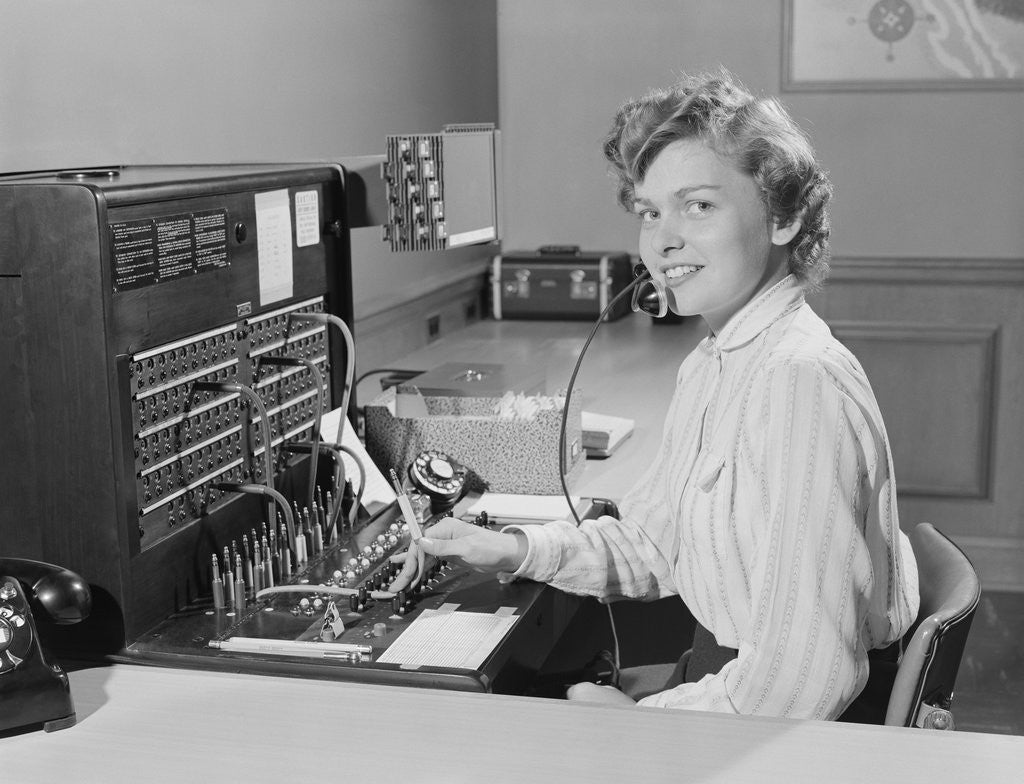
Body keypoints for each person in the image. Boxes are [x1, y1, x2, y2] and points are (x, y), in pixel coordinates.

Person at [389, 68, 920, 721]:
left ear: (784, 215)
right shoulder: (715, 362)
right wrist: (515, 549)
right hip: (737, 682)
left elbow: (803, 683)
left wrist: (635, 725)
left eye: (698, 205)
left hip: (789, 722)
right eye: (649, 210)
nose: (662, 240)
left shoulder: (797, 382)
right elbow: (657, 545)